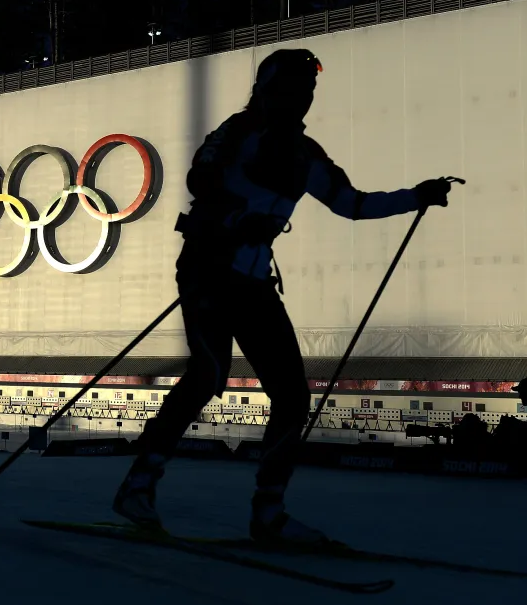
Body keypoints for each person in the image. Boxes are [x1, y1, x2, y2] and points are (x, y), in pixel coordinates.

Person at [112, 49, 457, 545]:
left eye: (309, 91)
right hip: (209, 267)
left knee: (293, 396)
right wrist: (234, 217)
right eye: (294, 89)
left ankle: (268, 512)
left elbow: (351, 204)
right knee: (208, 373)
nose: (303, 99)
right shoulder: (240, 130)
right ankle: (139, 485)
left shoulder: (305, 154)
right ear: (269, 89)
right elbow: (200, 179)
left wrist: (415, 197)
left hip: (251, 283)